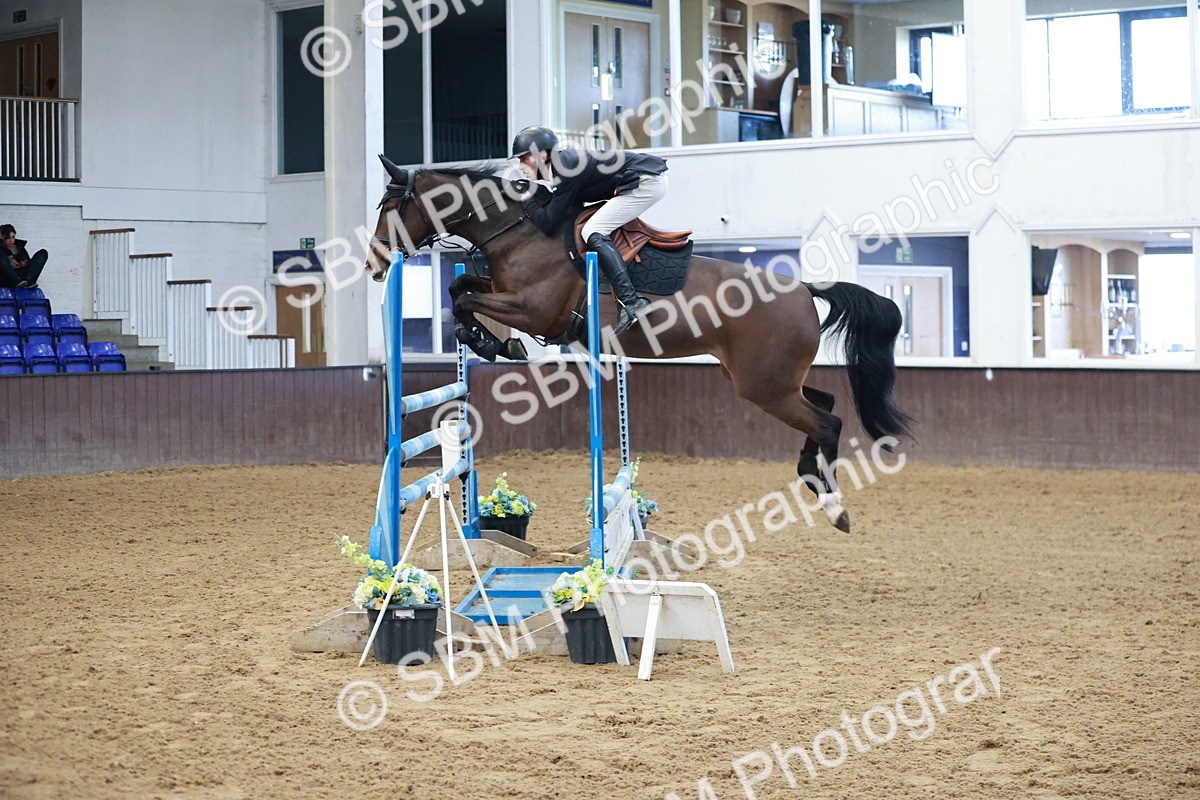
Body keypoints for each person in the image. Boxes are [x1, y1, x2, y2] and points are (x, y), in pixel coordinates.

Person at [512, 126, 667, 335]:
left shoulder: (563, 171)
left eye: (523, 159)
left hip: (646, 182)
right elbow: (568, 211)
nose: (520, 166)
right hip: (643, 177)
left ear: (542, 156)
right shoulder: (561, 166)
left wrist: (526, 197)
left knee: (593, 230)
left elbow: (548, 224)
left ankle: (631, 302)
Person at [0, 224, 48, 289]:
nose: (11, 240)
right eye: (8, 238)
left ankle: (28, 280)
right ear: (2, 237)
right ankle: (16, 280)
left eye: (13, 237)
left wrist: (25, 262)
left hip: (24, 276)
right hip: (8, 278)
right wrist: (8, 264)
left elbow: (27, 259)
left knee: (43, 253)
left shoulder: (19, 246)